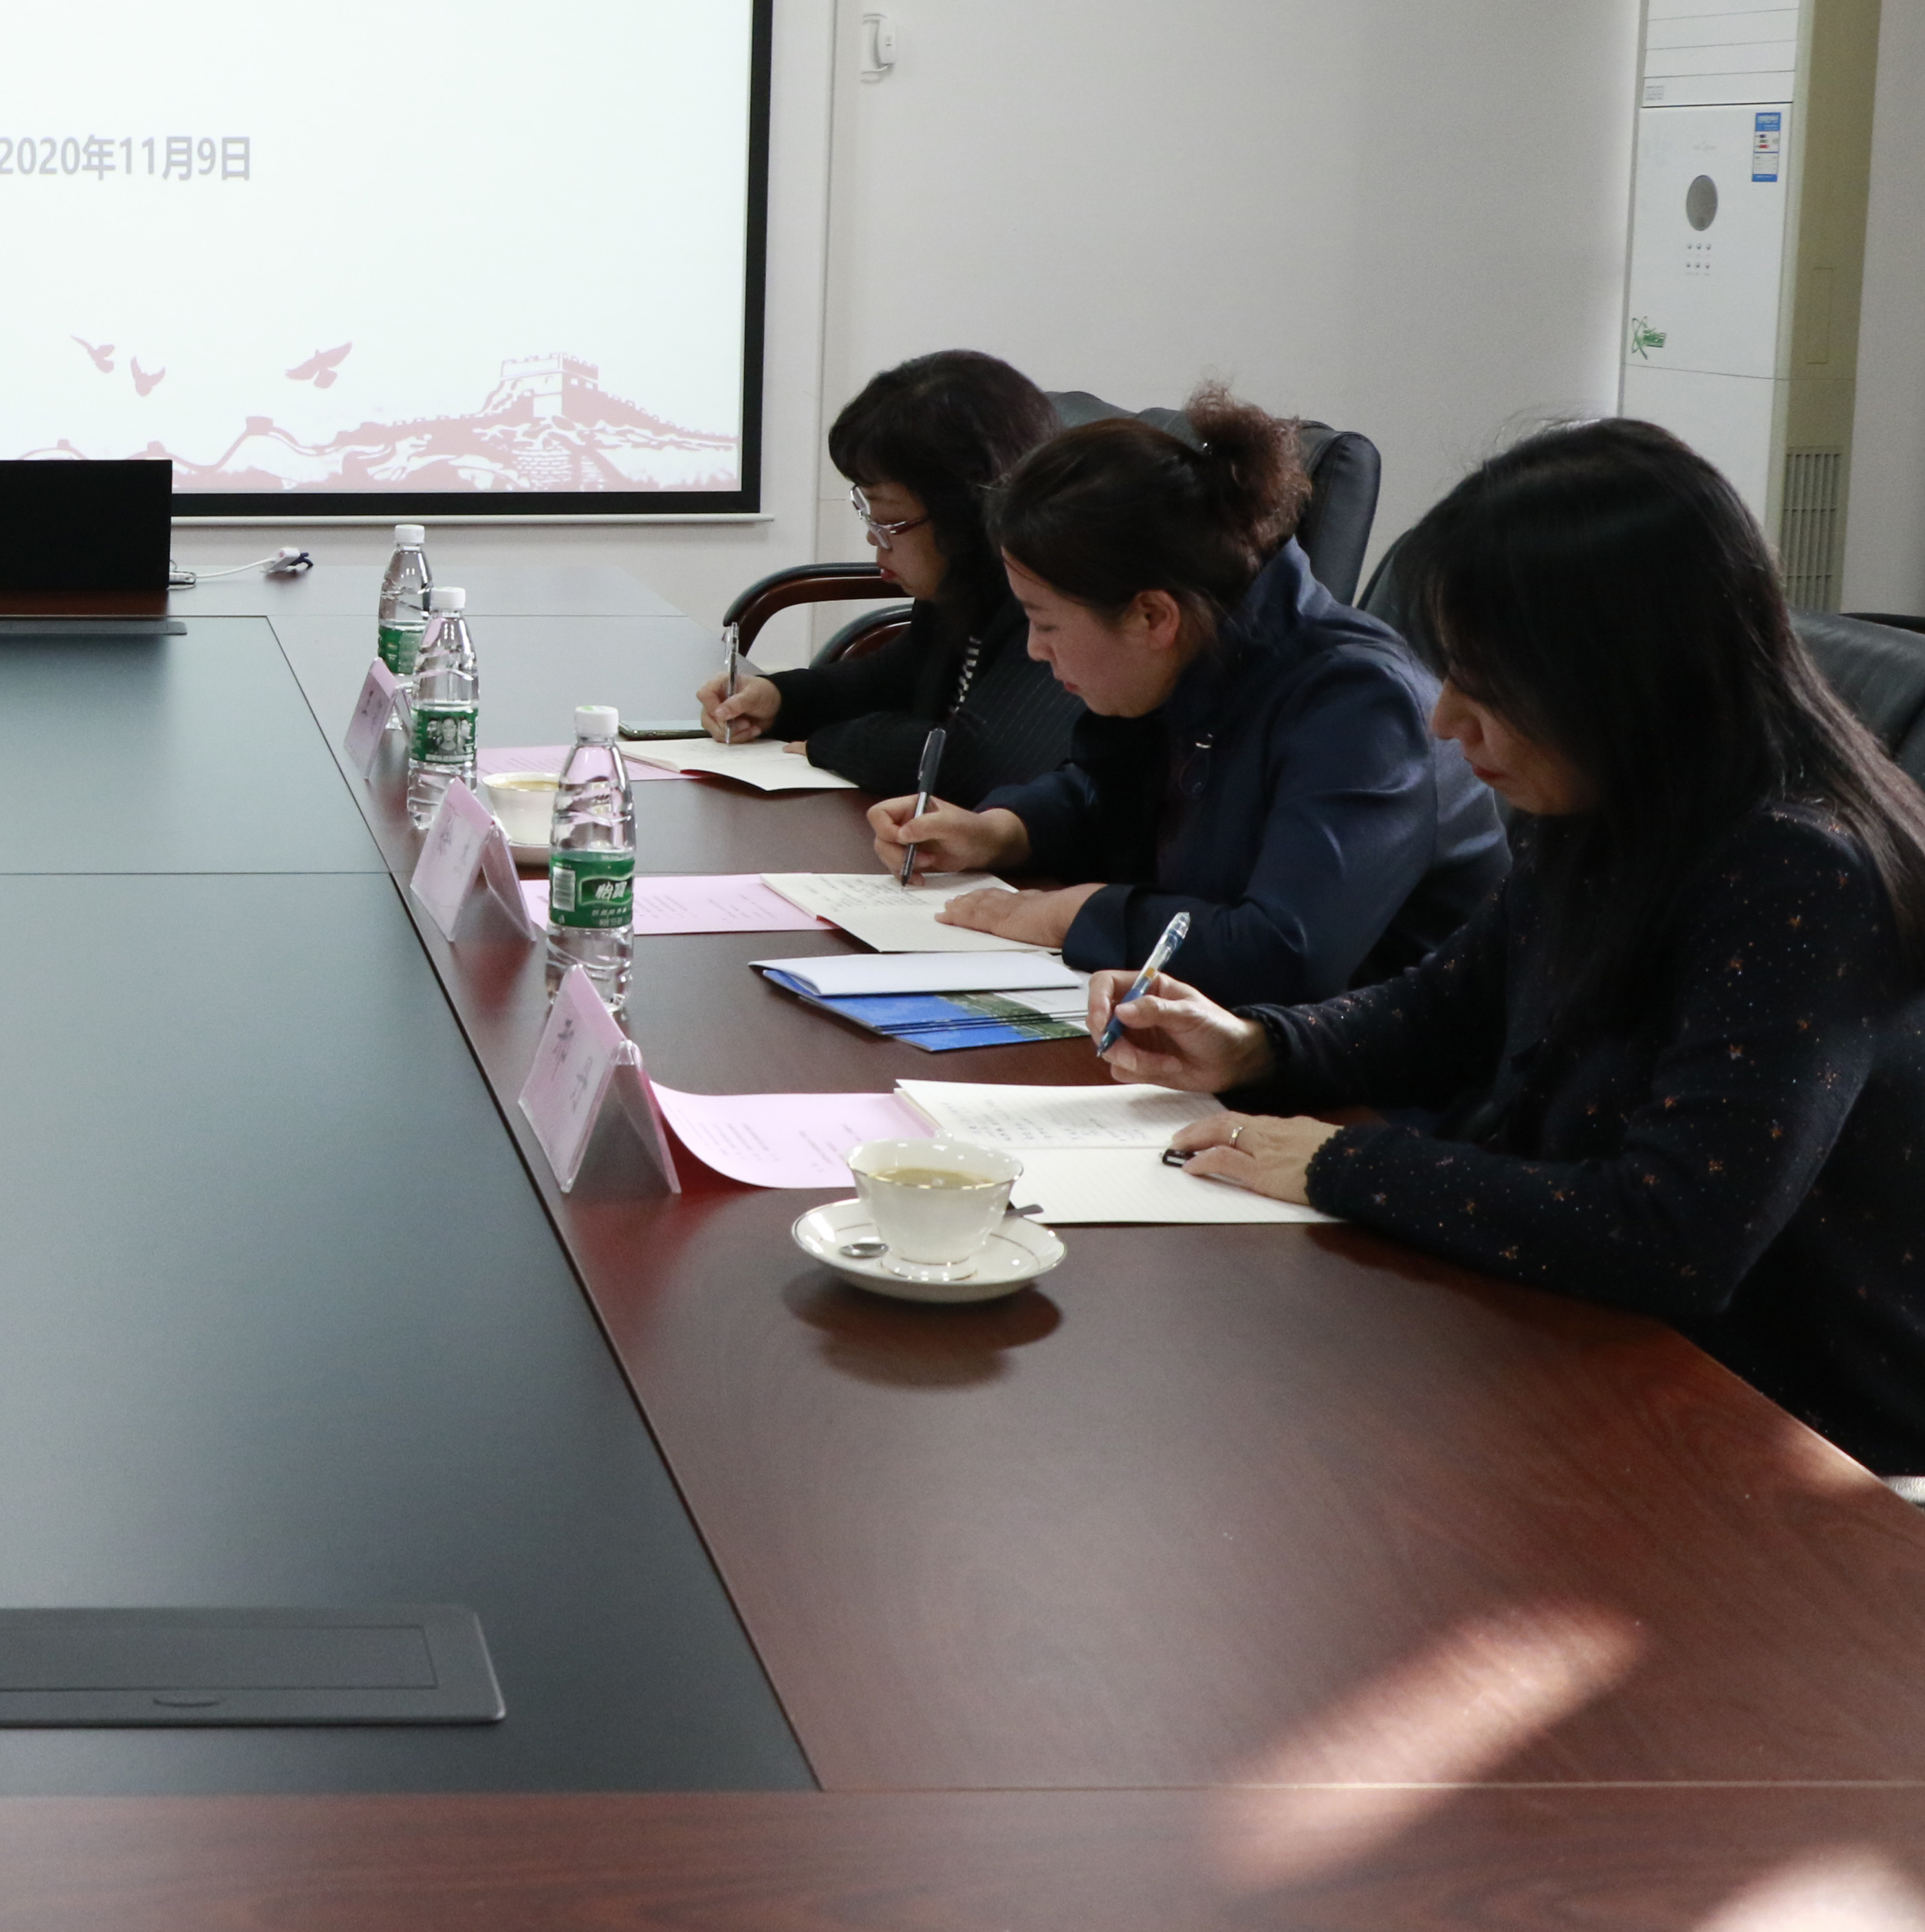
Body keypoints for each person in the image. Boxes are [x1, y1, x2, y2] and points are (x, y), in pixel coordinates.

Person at [1096, 420, 1925, 1479]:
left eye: (1485, 684)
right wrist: (1258, 1046)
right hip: (1591, 1344)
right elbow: (1446, 1009)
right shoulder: (1613, 802)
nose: (1446, 721)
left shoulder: (1802, 870)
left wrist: (1344, 1163)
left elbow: (1673, 1233)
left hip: (1796, 1444)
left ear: (1617, 676)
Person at [878, 385, 1503, 1003]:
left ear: (1152, 617)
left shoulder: (1361, 707)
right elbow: (1110, 792)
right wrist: (999, 832)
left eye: (1046, 623)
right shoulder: (1197, 644)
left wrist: (1075, 915)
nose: (1036, 650)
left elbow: (1284, 953)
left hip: (1386, 1058)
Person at [698, 351, 1078, 805]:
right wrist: (778, 698)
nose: (872, 537)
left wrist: (830, 745)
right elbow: (885, 679)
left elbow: (973, 760)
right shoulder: (959, 591)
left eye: (889, 519)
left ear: (968, 515)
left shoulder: (1055, 600)